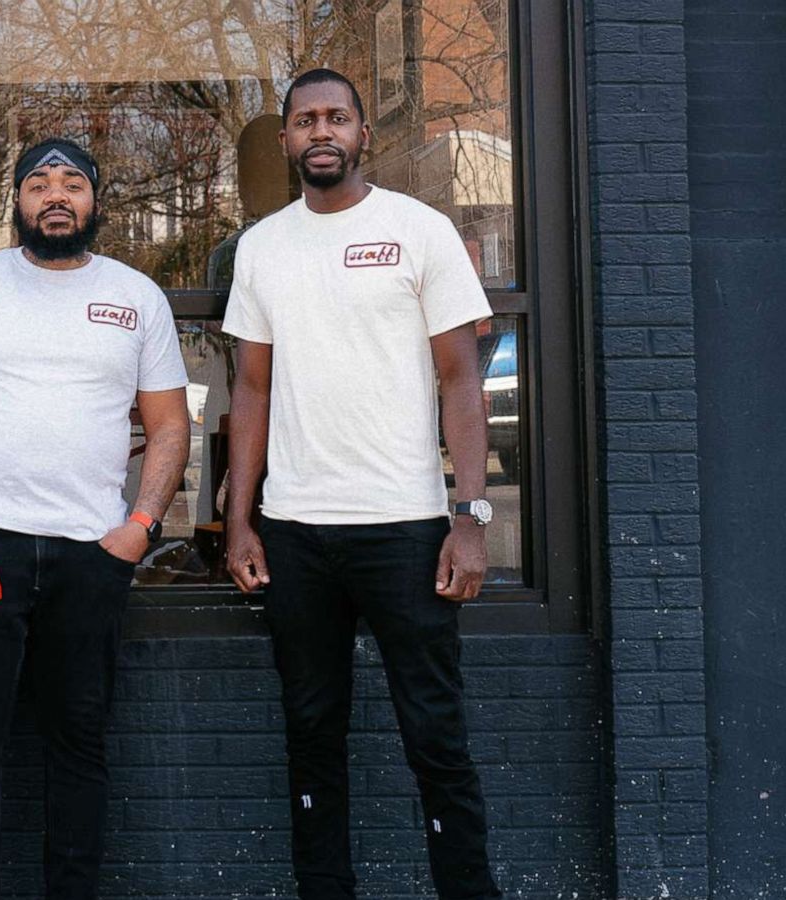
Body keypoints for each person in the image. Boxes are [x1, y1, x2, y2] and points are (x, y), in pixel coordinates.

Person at [222, 70, 504, 899]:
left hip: (406, 530)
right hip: (296, 535)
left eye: (336, 117)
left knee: (436, 738)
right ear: (285, 142)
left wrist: (471, 515)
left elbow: (461, 382)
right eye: (305, 120)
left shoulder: (419, 231)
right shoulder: (262, 248)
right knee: (311, 734)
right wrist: (240, 523)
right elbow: (252, 390)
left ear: (361, 134)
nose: (321, 132)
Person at [0, 138, 192, 899]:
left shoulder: (136, 296)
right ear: (15, 202)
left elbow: (169, 424)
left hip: (93, 552)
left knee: (80, 745)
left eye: (72, 184)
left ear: (94, 201)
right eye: (38, 184)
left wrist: (142, 524)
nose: (55, 196)